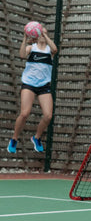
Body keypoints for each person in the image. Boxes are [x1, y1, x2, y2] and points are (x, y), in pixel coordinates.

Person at [7, 23, 58, 155]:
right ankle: (14, 139)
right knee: (25, 113)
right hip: (29, 84)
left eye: (44, 33)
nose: (42, 34)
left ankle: (36, 138)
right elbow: (22, 55)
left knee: (48, 115)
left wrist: (44, 34)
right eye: (40, 33)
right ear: (35, 35)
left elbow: (55, 49)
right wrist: (25, 38)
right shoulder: (31, 47)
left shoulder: (49, 50)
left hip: (43, 85)